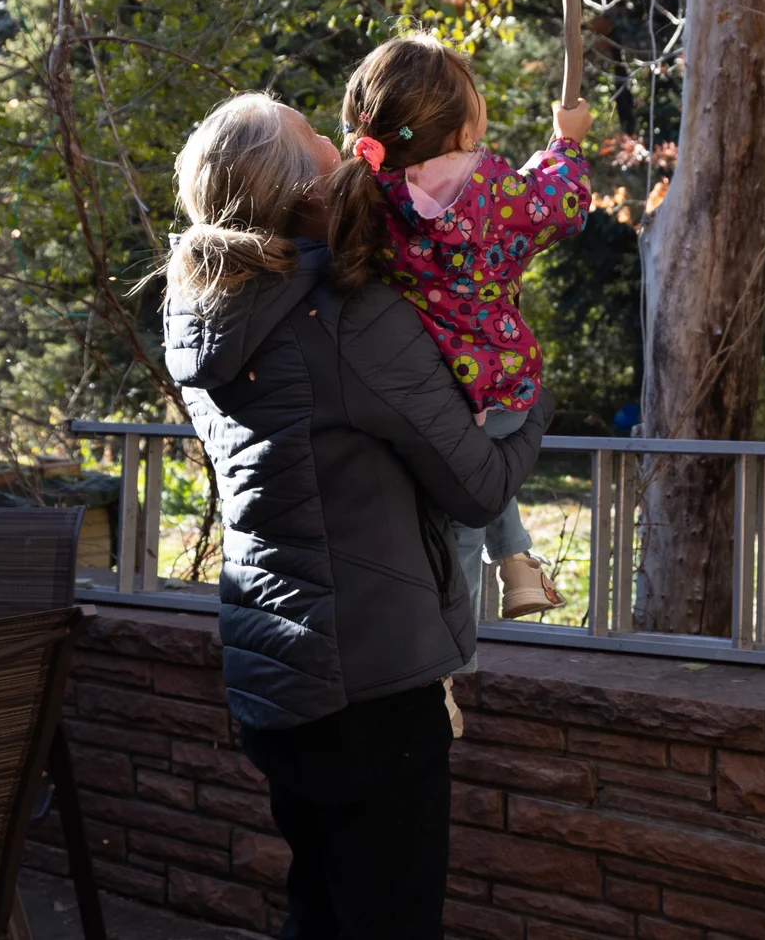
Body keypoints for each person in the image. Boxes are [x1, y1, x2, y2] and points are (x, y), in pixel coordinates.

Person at [161, 92, 547, 940]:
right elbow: (479, 485)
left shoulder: (208, 311)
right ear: (302, 193)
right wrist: (529, 392)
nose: (348, 153)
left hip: (276, 678)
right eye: (324, 145)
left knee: (322, 911)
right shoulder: (350, 320)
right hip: (373, 692)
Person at [323, 36, 590, 619]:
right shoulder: (490, 188)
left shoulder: (364, 191)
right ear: (467, 131)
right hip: (500, 386)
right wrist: (565, 142)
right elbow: (560, 203)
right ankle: (472, 632)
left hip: (424, 395)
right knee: (468, 512)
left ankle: (514, 562)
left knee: (459, 496)